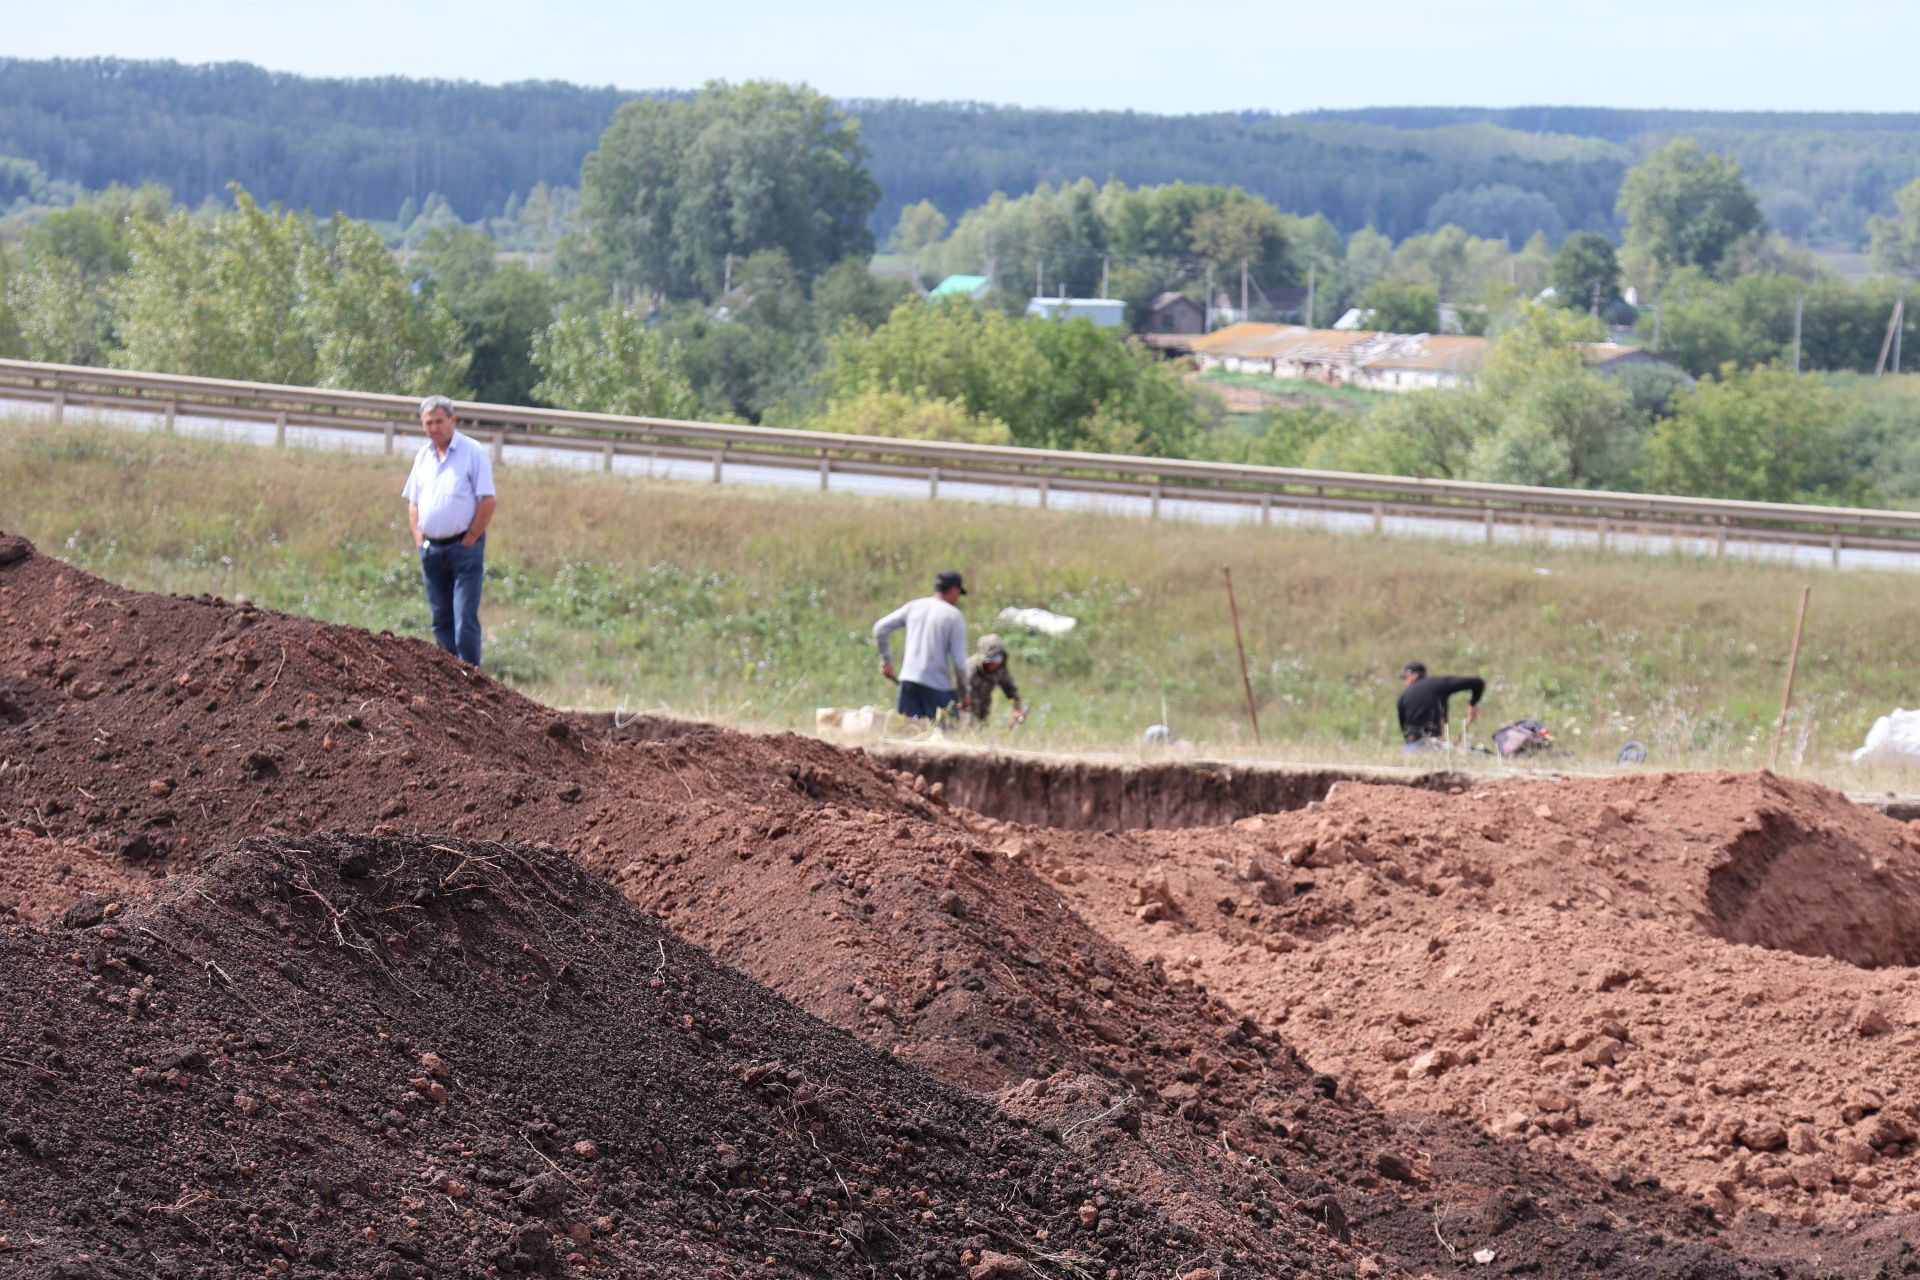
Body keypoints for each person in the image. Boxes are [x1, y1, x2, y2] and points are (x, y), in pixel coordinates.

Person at [403, 395, 496, 666]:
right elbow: (414, 502)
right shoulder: (423, 456)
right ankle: (448, 677)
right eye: (428, 423)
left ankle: (470, 674)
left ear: (452, 421)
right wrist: (419, 538)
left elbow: (488, 500)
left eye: (439, 421)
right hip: (432, 548)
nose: (433, 428)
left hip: (463, 547)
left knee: (464, 616)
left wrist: (470, 538)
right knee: (440, 617)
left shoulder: (472, 452)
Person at [873, 570, 971, 722]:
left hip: (908, 683)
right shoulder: (953, 615)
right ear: (954, 590)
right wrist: (964, 694)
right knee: (947, 736)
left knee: (908, 736)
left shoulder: (913, 607)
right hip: (938, 686)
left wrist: (886, 660)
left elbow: (880, 628)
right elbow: (960, 663)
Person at [1397, 661, 1484, 750]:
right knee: (1481, 754)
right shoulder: (1438, 683)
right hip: (1435, 745)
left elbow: (1404, 728)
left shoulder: (1403, 696)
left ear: (1412, 676)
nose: (1405, 682)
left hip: (1411, 748)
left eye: (1405, 678)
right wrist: (1472, 705)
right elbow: (1477, 683)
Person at [966, 633, 1026, 727]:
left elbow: (1010, 690)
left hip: (983, 714)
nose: (994, 663)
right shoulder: (969, 668)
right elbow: (956, 692)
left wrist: (1016, 708)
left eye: (998, 659)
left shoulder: (1000, 670)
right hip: (965, 713)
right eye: (990, 660)